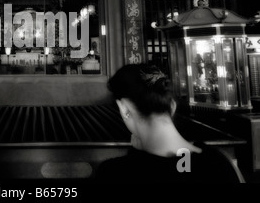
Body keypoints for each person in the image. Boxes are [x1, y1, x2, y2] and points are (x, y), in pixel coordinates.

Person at [95, 63, 243, 183]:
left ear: (124, 108)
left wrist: (137, 156)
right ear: (172, 106)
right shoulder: (219, 162)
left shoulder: (113, 173)